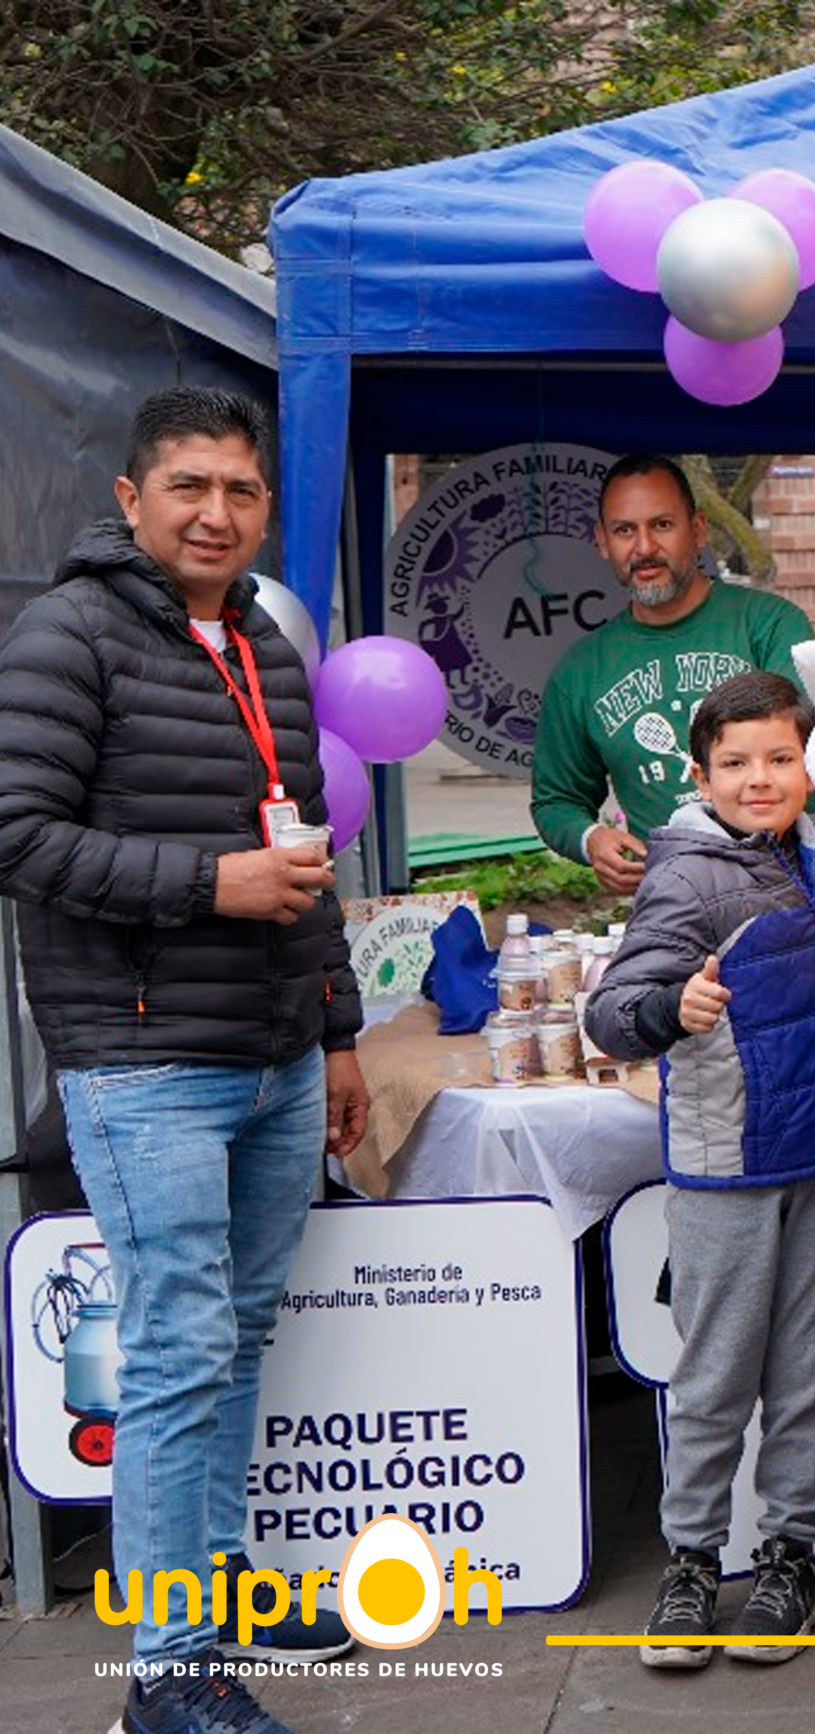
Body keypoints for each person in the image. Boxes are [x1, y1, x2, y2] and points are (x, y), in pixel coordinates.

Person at [0, 386, 372, 1734]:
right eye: (189, 487)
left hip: (275, 1051)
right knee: (176, 1353)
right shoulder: (70, 632)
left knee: (238, 1334)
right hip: (143, 1056)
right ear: (131, 498)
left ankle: (215, 1593)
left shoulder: (264, 639)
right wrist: (212, 883)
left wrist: (336, 1028)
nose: (217, 513)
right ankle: (170, 1676)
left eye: (241, 490)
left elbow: (305, 845)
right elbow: (16, 834)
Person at [584, 669, 815, 1667]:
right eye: (737, 763)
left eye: (781, 758)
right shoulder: (685, 875)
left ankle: (791, 1559)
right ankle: (691, 1564)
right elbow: (610, 1014)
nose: (761, 779)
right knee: (713, 1379)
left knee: (810, 1374)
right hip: (727, 1167)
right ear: (701, 777)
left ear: (811, 764)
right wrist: (672, 1009)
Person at [531, 454, 815, 897]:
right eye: (624, 530)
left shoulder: (771, 626)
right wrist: (591, 839)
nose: (644, 547)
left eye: (662, 525)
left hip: (795, 887)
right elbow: (556, 800)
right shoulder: (580, 672)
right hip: (677, 902)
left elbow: (813, 751)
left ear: (698, 529)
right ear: (602, 542)